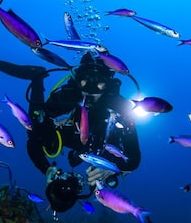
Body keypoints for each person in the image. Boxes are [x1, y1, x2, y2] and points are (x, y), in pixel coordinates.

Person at [21, 52, 141, 212]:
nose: (91, 89)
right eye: (85, 80)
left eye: (100, 82)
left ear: (108, 81)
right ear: (77, 79)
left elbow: (134, 158)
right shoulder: (66, 97)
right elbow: (33, 138)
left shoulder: (120, 107)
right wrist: (46, 168)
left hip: (102, 144)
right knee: (38, 130)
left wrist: (111, 168)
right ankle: (37, 79)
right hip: (70, 134)